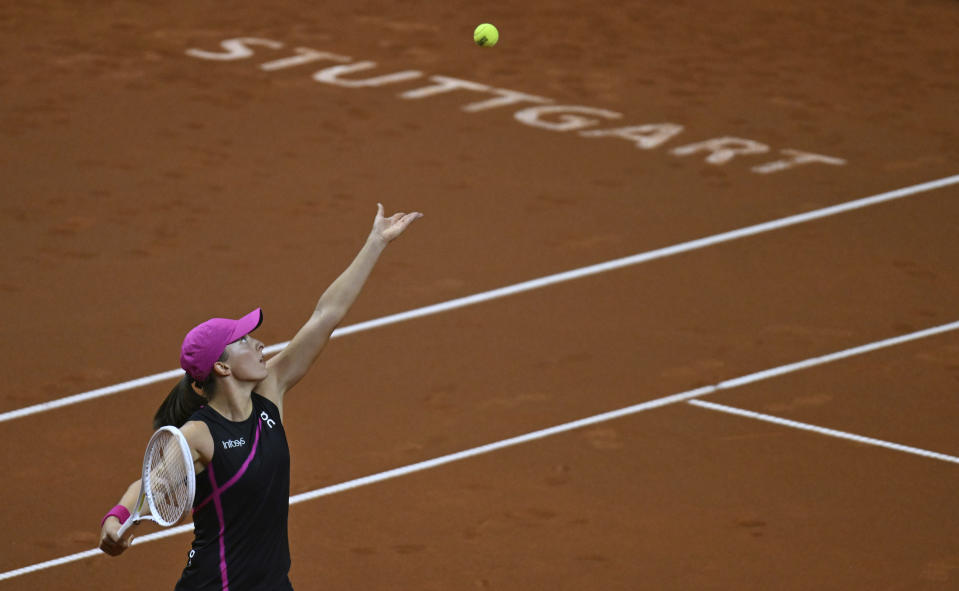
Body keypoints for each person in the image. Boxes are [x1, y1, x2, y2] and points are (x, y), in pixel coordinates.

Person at [98, 203, 423, 590]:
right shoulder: (199, 434)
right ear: (222, 367)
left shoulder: (270, 394)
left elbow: (326, 315)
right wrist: (116, 519)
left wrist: (375, 243)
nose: (259, 344)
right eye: (245, 341)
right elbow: (152, 485)